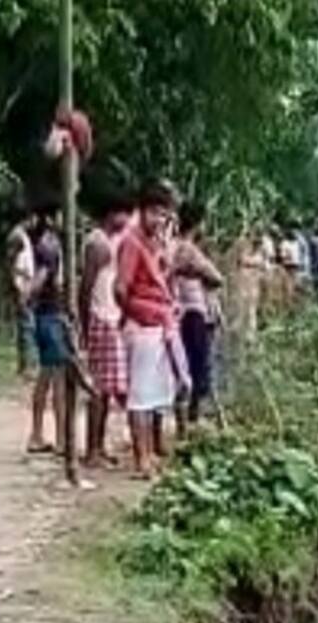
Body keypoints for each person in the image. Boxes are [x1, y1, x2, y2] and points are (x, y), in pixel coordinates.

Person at [117, 179, 180, 477]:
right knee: (140, 397)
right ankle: (141, 458)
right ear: (142, 211)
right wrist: (138, 313)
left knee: (154, 394)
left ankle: (149, 453)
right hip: (142, 327)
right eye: (155, 213)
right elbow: (121, 289)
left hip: (158, 324)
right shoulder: (131, 242)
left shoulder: (154, 243)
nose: (159, 220)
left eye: (164, 215)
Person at [80, 193, 131, 465]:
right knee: (99, 388)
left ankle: (98, 447)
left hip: (110, 317)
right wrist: (85, 326)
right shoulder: (98, 243)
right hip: (101, 318)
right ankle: (92, 450)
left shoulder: (110, 241)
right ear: (112, 214)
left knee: (108, 388)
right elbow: (86, 286)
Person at [24, 219, 78, 480]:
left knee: (46, 376)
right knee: (56, 377)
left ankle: (37, 433)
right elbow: (43, 276)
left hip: (45, 315)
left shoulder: (44, 243)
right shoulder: (51, 245)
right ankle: (60, 438)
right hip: (51, 315)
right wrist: (30, 294)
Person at [170, 203, 225, 427]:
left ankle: (185, 420)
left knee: (183, 368)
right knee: (196, 368)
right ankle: (189, 421)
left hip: (176, 312)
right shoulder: (188, 250)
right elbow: (216, 277)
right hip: (192, 313)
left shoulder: (170, 246)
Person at [5, 205, 37, 375]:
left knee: (26, 325)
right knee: (27, 326)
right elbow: (11, 264)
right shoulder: (17, 237)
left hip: (24, 284)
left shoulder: (21, 236)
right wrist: (18, 282)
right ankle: (26, 366)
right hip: (21, 285)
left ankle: (24, 364)